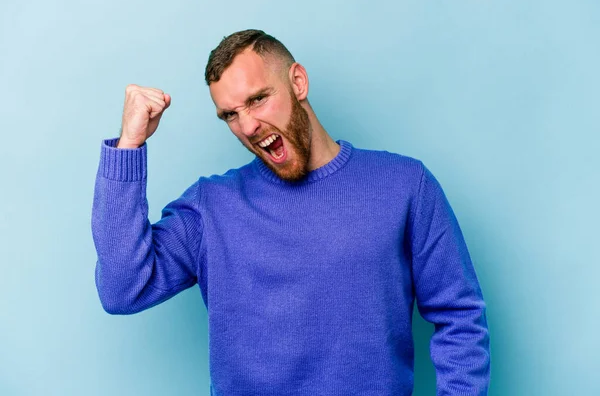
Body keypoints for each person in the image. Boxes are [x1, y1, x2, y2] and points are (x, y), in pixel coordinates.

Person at [92, 29, 491, 395]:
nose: (247, 125)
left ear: (297, 82)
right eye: (231, 114)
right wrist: (129, 146)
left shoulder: (404, 184)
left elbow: (460, 317)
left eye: (257, 99)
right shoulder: (211, 207)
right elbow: (122, 289)